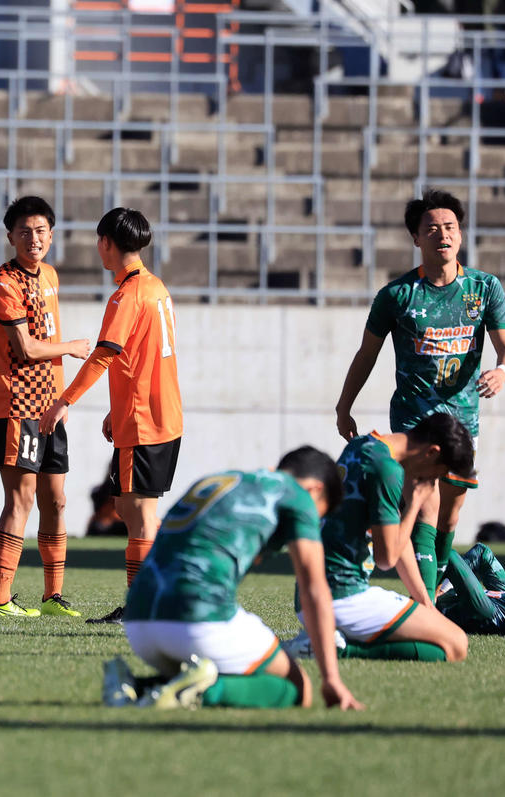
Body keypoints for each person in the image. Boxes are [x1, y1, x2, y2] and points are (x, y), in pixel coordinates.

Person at [334, 189, 505, 601]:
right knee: (425, 502)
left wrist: (503, 372)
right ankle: (429, 602)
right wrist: (344, 406)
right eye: (432, 228)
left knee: (450, 511)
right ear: (416, 238)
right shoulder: (397, 296)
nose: (443, 235)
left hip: (463, 421)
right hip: (414, 419)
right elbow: (367, 354)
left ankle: (438, 581)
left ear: (460, 233)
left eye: (450, 227)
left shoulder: (484, 289)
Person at [104, 447, 363, 711]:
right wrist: (332, 679)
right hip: (195, 619)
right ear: (315, 490)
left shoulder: (223, 480)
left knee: (228, 668)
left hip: (138, 621)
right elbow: (314, 589)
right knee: (299, 689)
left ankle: (137, 687)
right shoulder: (299, 496)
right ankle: (202, 693)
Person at [41, 208, 182, 624]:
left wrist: (64, 400)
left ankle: (144, 607)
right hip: (161, 414)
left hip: (144, 420)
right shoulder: (156, 287)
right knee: (128, 507)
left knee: (139, 517)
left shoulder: (127, 295)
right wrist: (114, 408)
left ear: (106, 243)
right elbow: (143, 357)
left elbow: (105, 353)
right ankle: (154, 601)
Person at [0, 196, 91, 619]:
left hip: (50, 408)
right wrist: (73, 348)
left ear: (51, 234)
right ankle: (0, 600)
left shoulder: (50, 275)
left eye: (41, 230)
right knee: (20, 500)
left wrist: (62, 400)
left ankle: (52, 596)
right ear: (10, 236)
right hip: (16, 407)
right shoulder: (3, 284)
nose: (34, 238)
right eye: (25, 231)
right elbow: (24, 348)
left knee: (57, 500)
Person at [294, 413, 474, 662]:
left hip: (310, 595)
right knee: (456, 645)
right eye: (436, 475)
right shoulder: (386, 468)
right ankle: (334, 649)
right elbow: (387, 557)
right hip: (342, 596)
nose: (431, 482)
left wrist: (425, 603)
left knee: (438, 632)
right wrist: (414, 504)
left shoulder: (363, 445)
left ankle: (331, 639)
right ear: (431, 453)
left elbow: (400, 543)